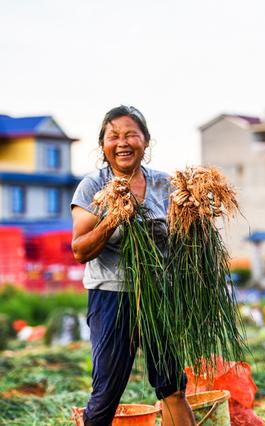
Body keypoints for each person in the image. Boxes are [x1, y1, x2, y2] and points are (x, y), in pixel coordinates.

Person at [71, 106, 195, 426]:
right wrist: (113, 218)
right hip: (113, 296)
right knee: (106, 394)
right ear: (103, 146)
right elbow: (80, 250)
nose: (122, 142)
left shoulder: (164, 185)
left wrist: (192, 218)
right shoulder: (92, 187)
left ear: (146, 141)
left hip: (159, 296)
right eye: (113, 136)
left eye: (130, 135)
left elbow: (184, 244)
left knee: (172, 388)